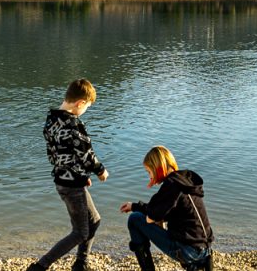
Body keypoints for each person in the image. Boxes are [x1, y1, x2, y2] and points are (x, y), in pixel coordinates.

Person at [27, 79, 109, 271]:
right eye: (87, 106)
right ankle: (40, 266)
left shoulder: (51, 119)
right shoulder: (73, 125)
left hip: (64, 179)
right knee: (80, 232)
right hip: (72, 186)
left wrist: (80, 175)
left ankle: (81, 263)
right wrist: (100, 171)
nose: (85, 110)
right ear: (80, 102)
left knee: (94, 220)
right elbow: (86, 155)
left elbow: (58, 155)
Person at [119, 146, 214, 271]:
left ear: (158, 168)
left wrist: (136, 209)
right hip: (205, 249)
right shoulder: (184, 182)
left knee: (135, 219)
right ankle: (196, 265)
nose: (149, 176)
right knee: (156, 220)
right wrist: (135, 206)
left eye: (149, 172)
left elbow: (152, 216)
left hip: (188, 251)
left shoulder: (172, 185)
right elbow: (162, 210)